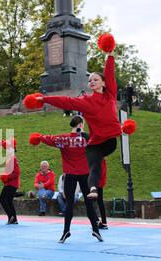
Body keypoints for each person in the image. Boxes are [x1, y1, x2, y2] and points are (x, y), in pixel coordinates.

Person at [38, 51, 122, 200]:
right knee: (93, 165)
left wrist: (110, 56)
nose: (92, 82)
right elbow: (66, 101)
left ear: (103, 83)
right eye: (90, 80)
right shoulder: (85, 102)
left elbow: (110, 73)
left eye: (95, 79)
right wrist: (45, 99)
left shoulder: (110, 95)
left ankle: (97, 185)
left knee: (97, 161)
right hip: (95, 142)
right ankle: (94, 189)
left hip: (109, 140)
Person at [35, 116, 104, 242]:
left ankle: (66, 231)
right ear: (81, 124)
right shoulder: (88, 138)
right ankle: (96, 230)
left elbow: (49, 139)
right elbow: (103, 137)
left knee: (69, 204)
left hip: (70, 174)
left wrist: (38, 137)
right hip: (85, 174)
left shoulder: (63, 138)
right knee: (89, 203)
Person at [0, 147, 21, 225]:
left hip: (11, 184)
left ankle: (11, 216)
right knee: (8, 200)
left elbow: (17, 172)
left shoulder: (13, 159)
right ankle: (14, 218)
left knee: (2, 199)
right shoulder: (11, 159)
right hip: (11, 184)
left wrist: (7, 177)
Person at [97, 159, 108, 230]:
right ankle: (103, 221)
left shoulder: (98, 159)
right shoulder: (102, 159)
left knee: (89, 202)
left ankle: (97, 221)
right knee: (99, 201)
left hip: (96, 182)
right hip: (99, 182)